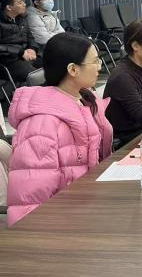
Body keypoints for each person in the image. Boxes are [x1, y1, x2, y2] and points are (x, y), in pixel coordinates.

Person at [5, 32, 113, 226]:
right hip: (62, 221)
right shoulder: (41, 124)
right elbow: (30, 202)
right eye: (95, 61)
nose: (99, 67)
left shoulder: (86, 101)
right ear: (73, 69)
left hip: (88, 205)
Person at [0, 0, 42, 82]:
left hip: (26, 56)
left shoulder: (22, 19)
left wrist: (32, 49)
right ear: (9, 7)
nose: (24, 4)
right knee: (37, 78)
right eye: (20, 2)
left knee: (53, 68)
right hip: (8, 61)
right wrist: (20, 52)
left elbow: (30, 37)